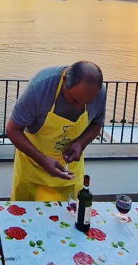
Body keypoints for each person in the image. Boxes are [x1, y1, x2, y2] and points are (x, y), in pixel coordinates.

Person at [7, 61, 107, 201]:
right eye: (73, 99)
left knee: (69, 216)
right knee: (25, 215)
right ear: (64, 79)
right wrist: (42, 159)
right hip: (33, 166)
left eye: (86, 102)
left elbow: (97, 123)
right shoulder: (40, 87)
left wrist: (80, 144)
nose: (79, 105)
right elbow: (12, 130)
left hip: (70, 169)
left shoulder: (100, 93)